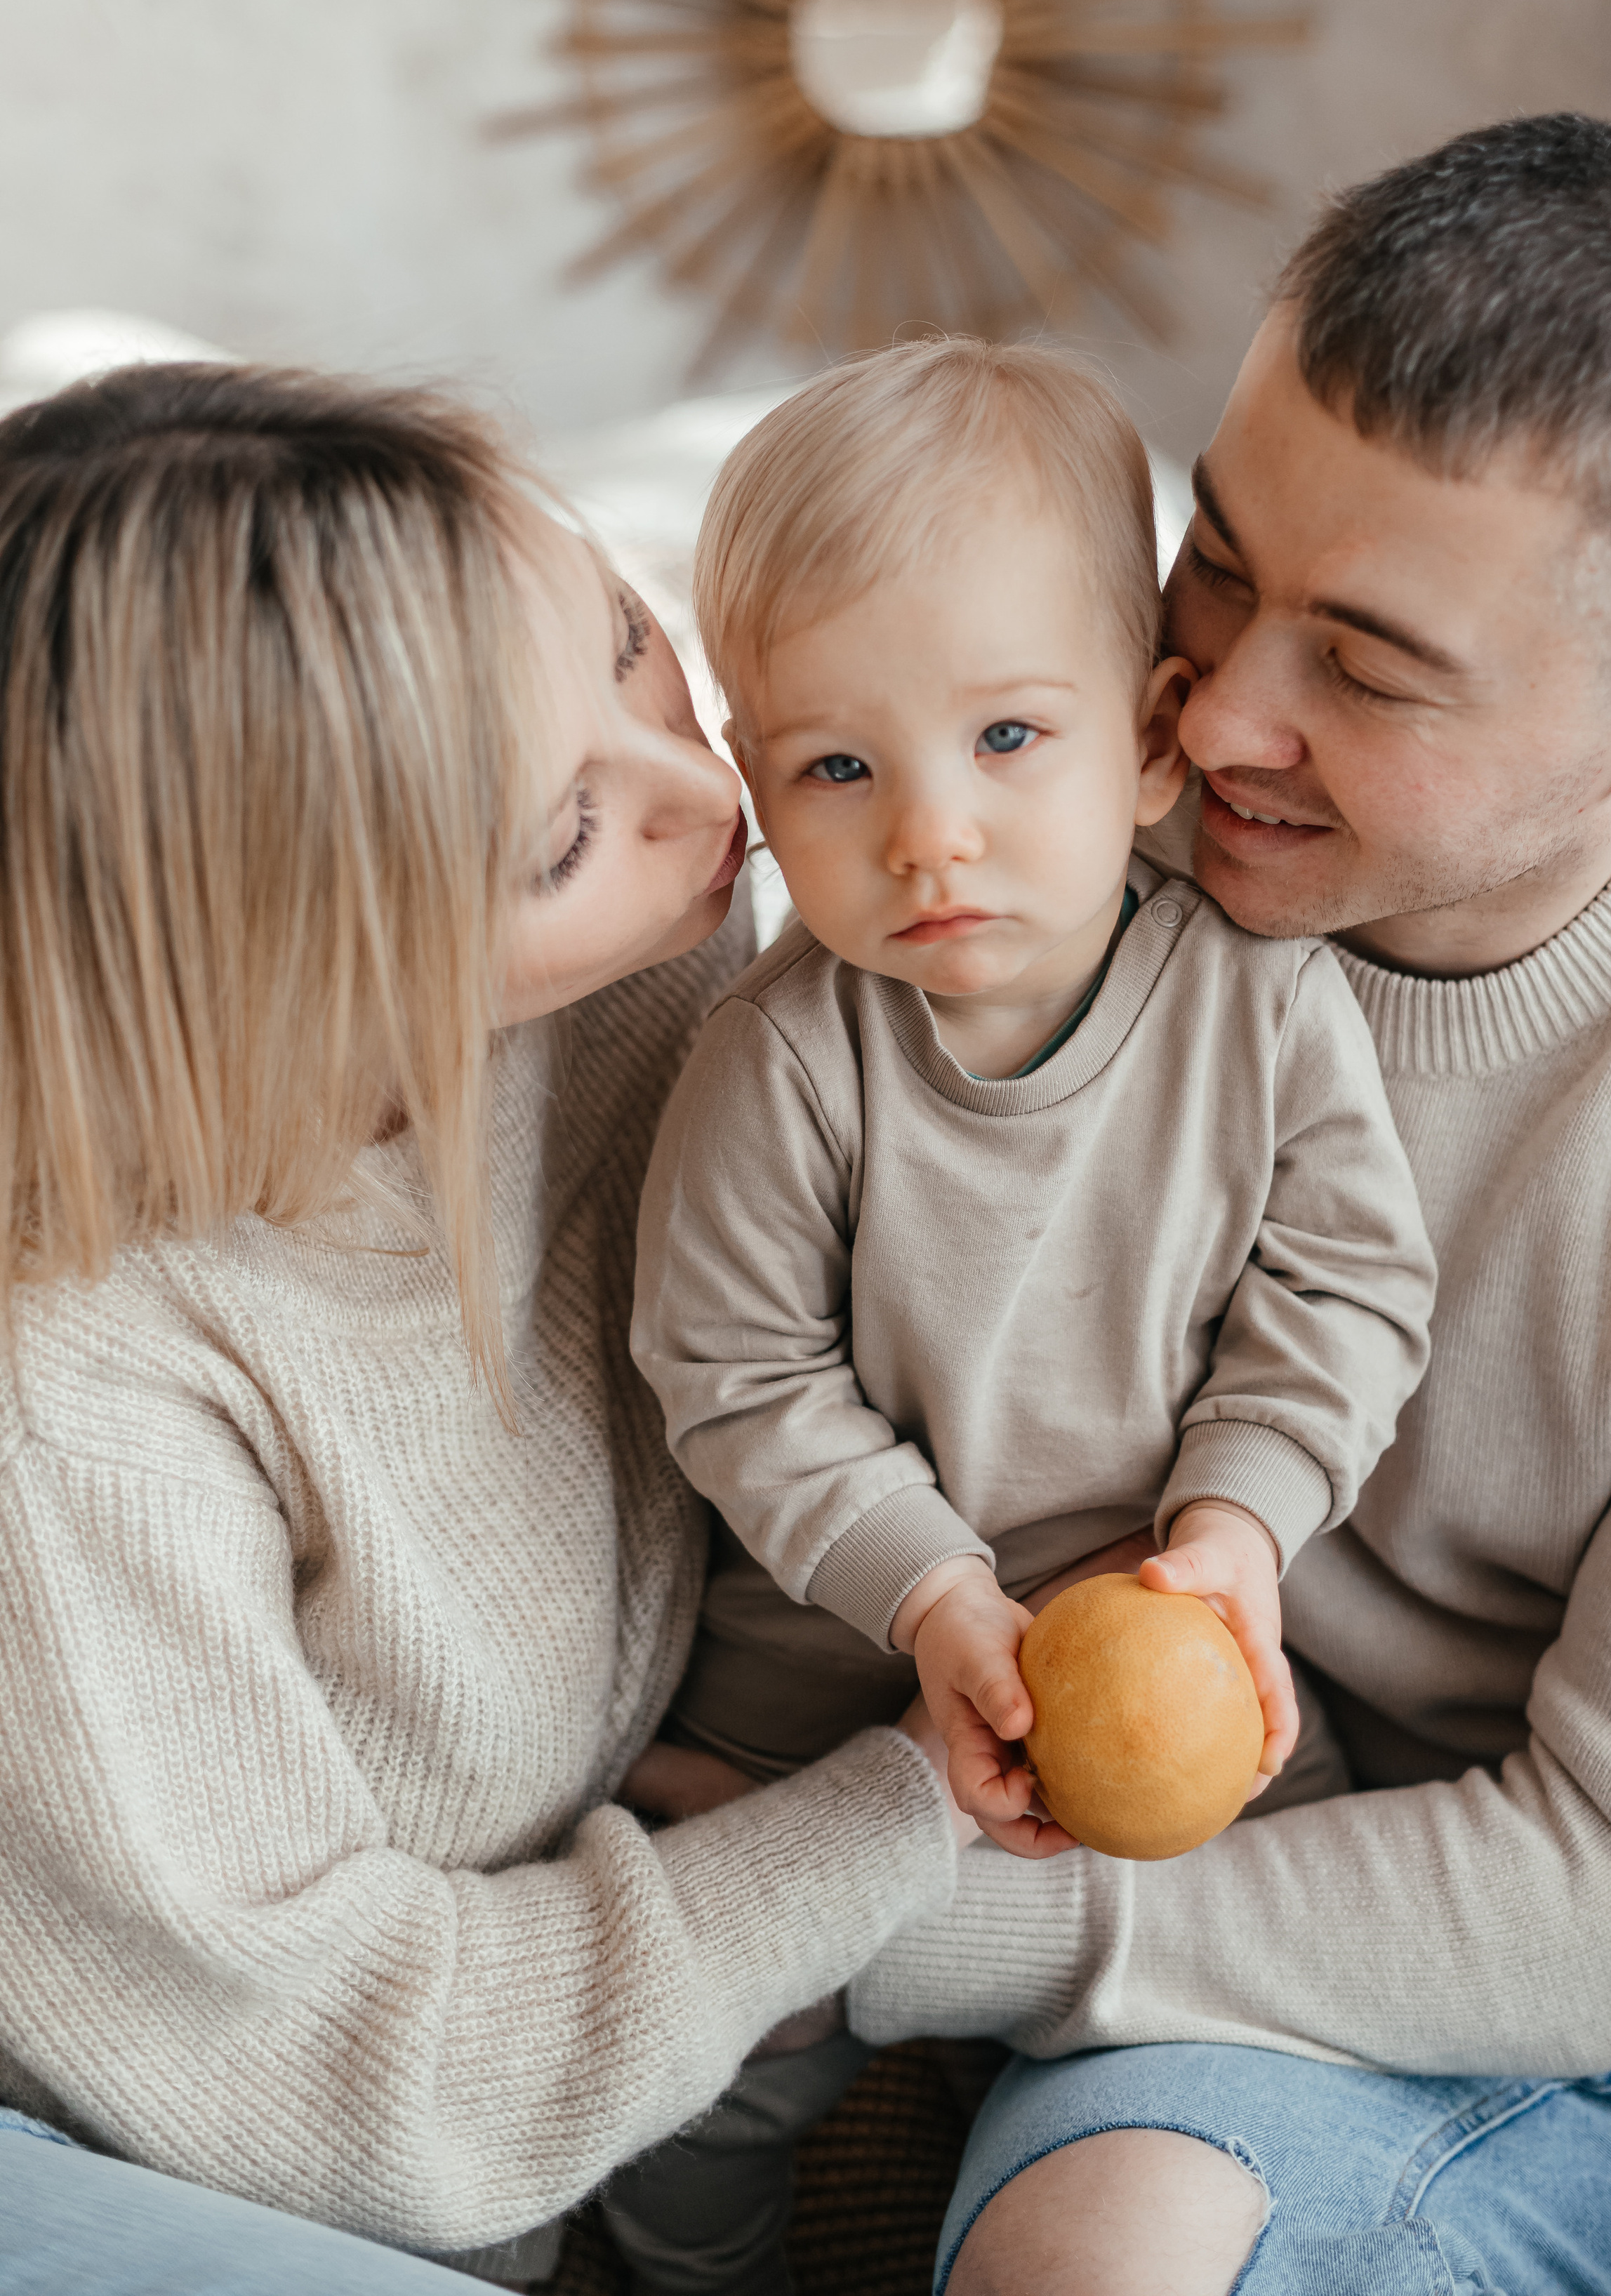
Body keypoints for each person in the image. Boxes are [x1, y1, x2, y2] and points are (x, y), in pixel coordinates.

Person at [832, 117, 1611, 2296]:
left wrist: (871, 1922)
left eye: (1367, 665)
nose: (1223, 707)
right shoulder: (1040, 853)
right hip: (1355, 1903)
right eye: (1218, 557)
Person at [0, 362, 967, 2292]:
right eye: (559, 840)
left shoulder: (655, 964)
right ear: (292, 964)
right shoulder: (75, 1414)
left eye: (628, 641)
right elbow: (363, 2096)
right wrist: (887, 1822)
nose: (718, 796)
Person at [632, 338, 1433, 1846]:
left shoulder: (1256, 998)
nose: (931, 835)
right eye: (836, 769)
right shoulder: (788, 1054)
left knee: (1246, 1878)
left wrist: (1236, 1527)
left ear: (1146, 741)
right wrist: (932, 1597)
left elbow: (1343, 1295)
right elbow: (736, 1378)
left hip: (1170, 1624)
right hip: (822, 1664)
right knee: (730, 1935)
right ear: (753, 785)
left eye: (1005, 738)